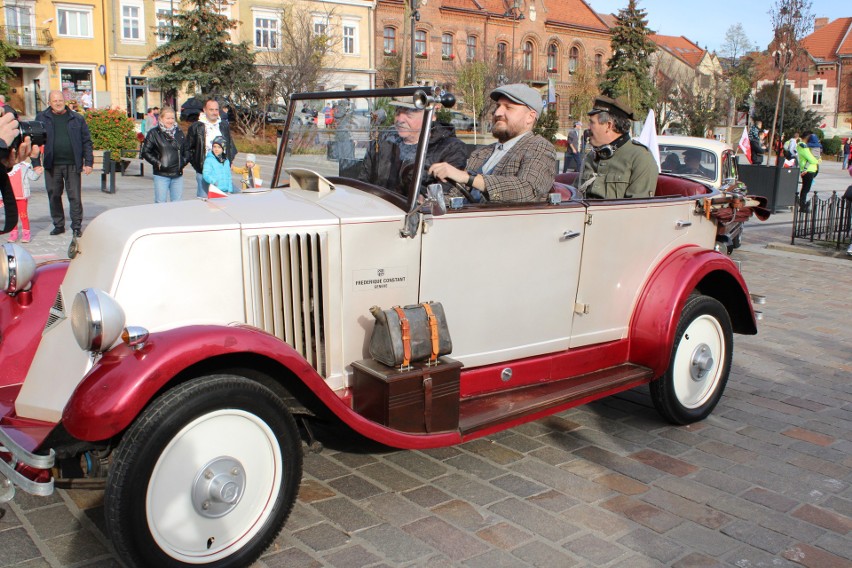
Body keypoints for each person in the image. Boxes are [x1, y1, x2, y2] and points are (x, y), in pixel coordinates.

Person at [429, 84, 556, 203]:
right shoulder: (481, 153)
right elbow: (457, 195)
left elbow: (528, 190)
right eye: (497, 106)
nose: (497, 113)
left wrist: (468, 177)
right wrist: (428, 203)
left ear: (530, 117)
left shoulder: (539, 147)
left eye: (508, 108)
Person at [359, 95, 467, 196]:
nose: (400, 120)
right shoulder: (382, 142)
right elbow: (363, 184)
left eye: (409, 114)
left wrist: (422, 199)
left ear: (431, 116)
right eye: (397, 112)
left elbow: (444, 196)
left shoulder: (450, 148)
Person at [576, 95, 657, 200]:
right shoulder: (591, 157)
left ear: (608, 125)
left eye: (592, 123)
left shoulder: (640, 158)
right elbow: (573, 196)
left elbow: (637, 209)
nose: (588, 128)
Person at [36, 90, 94, 237]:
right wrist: (35, 162)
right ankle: (59, 225)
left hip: (72, 164)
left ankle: (76, 226)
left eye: (60, 100)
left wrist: (88, 162)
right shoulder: (42, 117)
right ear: (49, 103)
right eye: (55, 100)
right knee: (54, 195)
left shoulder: (77, 118)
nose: (58, 103)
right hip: (51, 164)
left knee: (74, 196)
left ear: (64, 100)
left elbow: (86, 141)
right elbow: (34, 141)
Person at [187, 97, 237, 197]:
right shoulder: (196, 127)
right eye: (211, 109)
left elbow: (230, 145)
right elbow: (188, 148)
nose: (214, 112)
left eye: (216, 109)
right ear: (204, 110)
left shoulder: (223, 125)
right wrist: (197, 164)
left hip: (221, 171)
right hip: (204, 171)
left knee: (224, 200)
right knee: (204, 201)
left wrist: (229, 161)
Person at [140, 106, 188, 203]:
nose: (170, 121)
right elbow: (145, 151)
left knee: (178, 203)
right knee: (160, 202)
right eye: (168, 118)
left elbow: (186, 150)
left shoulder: (179, 132)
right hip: (161, 174)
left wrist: (183, 162)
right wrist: (158, 163)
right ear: (161, 118)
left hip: (177, 174)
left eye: (172, 118)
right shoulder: (153, 133)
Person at [796, 130, 820, 209]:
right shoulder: (802, 146)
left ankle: (803, 203)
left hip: (810, 169)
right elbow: (811, 159)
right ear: (807, 137)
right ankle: (803, 205)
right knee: (806, 188)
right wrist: (817, 160)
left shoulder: (805, 146)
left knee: (806, 188)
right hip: (808, 170)